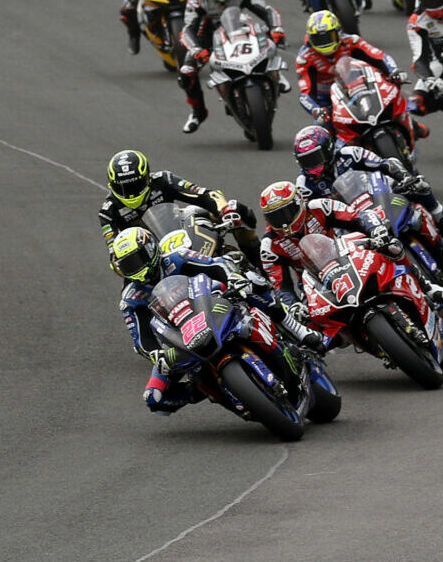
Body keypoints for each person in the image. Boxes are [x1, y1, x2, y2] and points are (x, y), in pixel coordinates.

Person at [113, 228, 326, 413]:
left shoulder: (176, 258)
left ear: (150, 250)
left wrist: (233, 278)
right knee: (155, 398)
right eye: (127, 265)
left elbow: (217, 266)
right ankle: (204, 389)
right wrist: (155, 354)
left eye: (136, 260)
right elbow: (141, 339)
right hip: (181, 338)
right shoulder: (131, 298)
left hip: (211, 305)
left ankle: (297, 330)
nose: (135, 269)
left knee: (253, 285)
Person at [291, 124, 443, 248]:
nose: (312, 166)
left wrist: (404, 176)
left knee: (418, 185)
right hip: (348, 218)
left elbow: (386, 163)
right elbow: (307, 215)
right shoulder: (304, 184)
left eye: (315, 158)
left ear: (329, 149)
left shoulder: (349, 153)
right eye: (306, 161)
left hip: (376, 193)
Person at [178, 0, 285, 133]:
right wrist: (196, 49)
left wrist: (276, 28)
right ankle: (198, 113)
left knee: (273, 39)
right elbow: (187, 30)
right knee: (186, 73)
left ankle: (276, 76)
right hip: (209, 38)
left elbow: (268, 11)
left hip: (242, 30)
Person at [256, 180, 398, 302]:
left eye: (286, 213)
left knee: (392, 256)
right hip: (314, 285)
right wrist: (293, 305)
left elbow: (358, 217)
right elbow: (281, 287)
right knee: (313, 324)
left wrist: (376, 229)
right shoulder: (269, 247)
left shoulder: (319, 206)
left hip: (349, 260)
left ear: (299, 202)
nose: (284, 223)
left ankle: (416, 289)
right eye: (275, 217)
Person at [97, 150, 258, 253]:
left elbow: (204, 194)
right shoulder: (108, 212)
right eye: (123, 188)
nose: (131, 195)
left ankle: (264, 271)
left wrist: (225, 211)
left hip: (184, 235)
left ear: (147, 177)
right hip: (150, 257)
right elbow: (114, 252)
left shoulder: (163, 180)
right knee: (129, 299)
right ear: (111, 186)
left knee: (236, 211)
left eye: (135, 185)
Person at [294, 10, 403, 125]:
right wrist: (316, 110)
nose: (324, 43)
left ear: (338, 32)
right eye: (318, 39)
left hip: (359, 88)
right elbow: (305, 95)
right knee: (321, 129)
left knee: (393, 101)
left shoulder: (352, 41)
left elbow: (380, 56)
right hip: (327, 101)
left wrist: (393, 70)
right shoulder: (304, 59)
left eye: (328, 37)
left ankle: (411, 124)